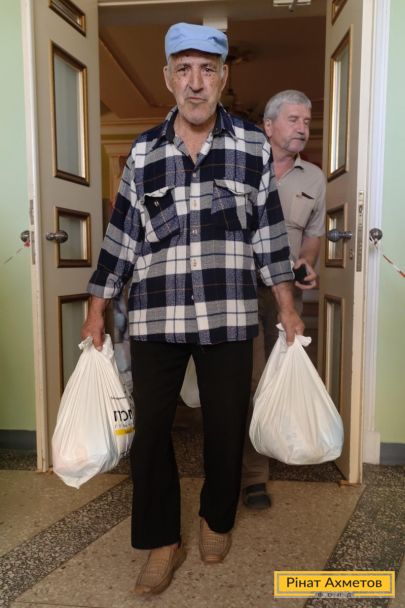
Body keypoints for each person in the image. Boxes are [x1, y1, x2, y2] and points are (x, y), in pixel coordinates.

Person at [81, 25, 304, 597]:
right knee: (152, 432)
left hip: (228, 313)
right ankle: (162, 541)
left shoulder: (252, 146)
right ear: (168, 78)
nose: (196, 82)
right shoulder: (143, 152)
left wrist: (287, 308)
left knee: (226, 426)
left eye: (207, 69)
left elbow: (269, 237)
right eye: (184, 69)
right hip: (156, 316)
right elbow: (121, 238)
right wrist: (97, 310)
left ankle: (215, 518)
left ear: (224, 78)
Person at [241, 90, 326, 510]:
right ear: (269, 125)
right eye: (294, 119)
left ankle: (279, 445)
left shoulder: (314, 178)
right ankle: (253, 476)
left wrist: (307, 260)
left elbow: (313, 234)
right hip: (240, 290)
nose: (302, 128)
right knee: (250, 380)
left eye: (307, 121)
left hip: (286, 292)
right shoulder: (241, 166)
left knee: (279, 377)